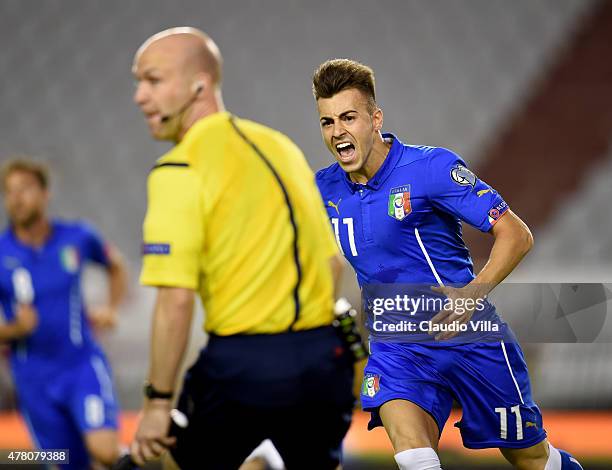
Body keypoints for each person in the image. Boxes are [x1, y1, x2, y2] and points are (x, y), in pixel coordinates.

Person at [312, 59, 584, 470]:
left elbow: (516, 234)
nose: (338, 132)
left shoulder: (429, 168)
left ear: (375, 118)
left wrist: (473, 295)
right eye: (327, 122)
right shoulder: (323, 188)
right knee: (413, 454)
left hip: (470, 340)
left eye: (348, 117)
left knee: (531, 458)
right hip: (397, 347)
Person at [130, 27, 354, 469]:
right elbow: (331, 261)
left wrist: (157, 404)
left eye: (153, 80)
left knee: (176, 459)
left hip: (242, 365)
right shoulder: (282, 148)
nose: (140, 95)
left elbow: (175, 302)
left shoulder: (180, 168)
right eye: (138, 81)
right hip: (323, 361)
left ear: (199, 85)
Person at [0, 159, 128, 469]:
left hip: (80, 362)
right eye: (9, 191)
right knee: (62, 462)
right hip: (33, 377)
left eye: (25, 189)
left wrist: (111, 308)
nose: (17, 198)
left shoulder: (77, 237)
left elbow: (116, 266)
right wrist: (15, 330)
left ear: (45, 193)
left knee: (106, 450)